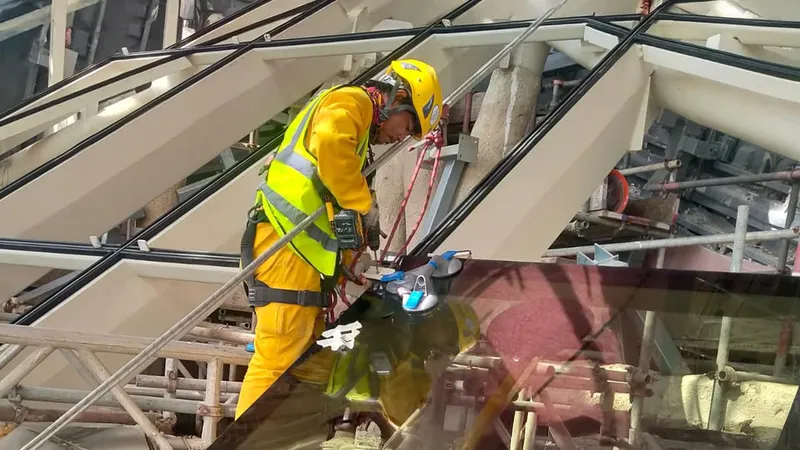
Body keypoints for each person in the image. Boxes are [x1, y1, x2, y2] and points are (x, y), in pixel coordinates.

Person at [235, 59, 444, 420]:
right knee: (277, 358)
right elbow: (332, 143)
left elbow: (331, 186)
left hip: (300, 253)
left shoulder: (358, 130)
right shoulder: (352, 102)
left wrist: (351, 258)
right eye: (408, 126)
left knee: (306, 360)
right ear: (398, 99)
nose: (401, 137)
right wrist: (363, 205)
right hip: (287, 247)